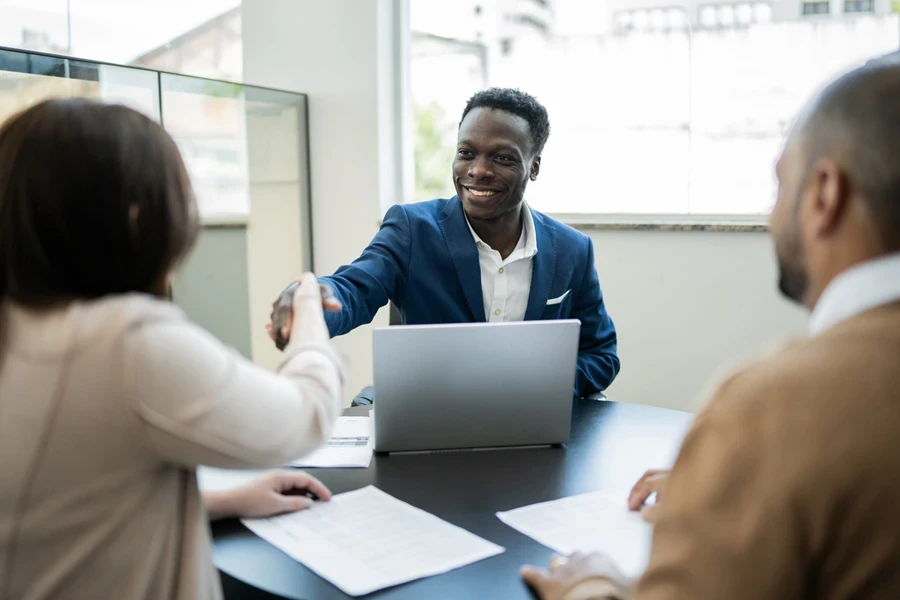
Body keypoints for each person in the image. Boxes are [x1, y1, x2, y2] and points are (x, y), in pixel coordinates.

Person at [521, 58, 900, 598]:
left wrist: (596, 587)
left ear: (823, 194)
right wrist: (749, 488)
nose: (772, 216)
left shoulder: (772, 407)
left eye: (779, 185)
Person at [0, 99, 344, 600]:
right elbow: (306, 416)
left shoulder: (21, 328)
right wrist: (308, 308)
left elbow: (59, 503)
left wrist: (216, 501)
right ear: (137, 216)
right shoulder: (124, 341)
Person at [269, 88, 619, 399]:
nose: (478, 170)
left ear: (534, 166)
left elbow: (601, 355)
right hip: (429, 416)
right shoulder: (412, 228)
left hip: (533, 423)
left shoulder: (572, 249)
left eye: (503, 158)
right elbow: (354, 289)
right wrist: (311, 302)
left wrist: (535, 385)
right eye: (467, 153)